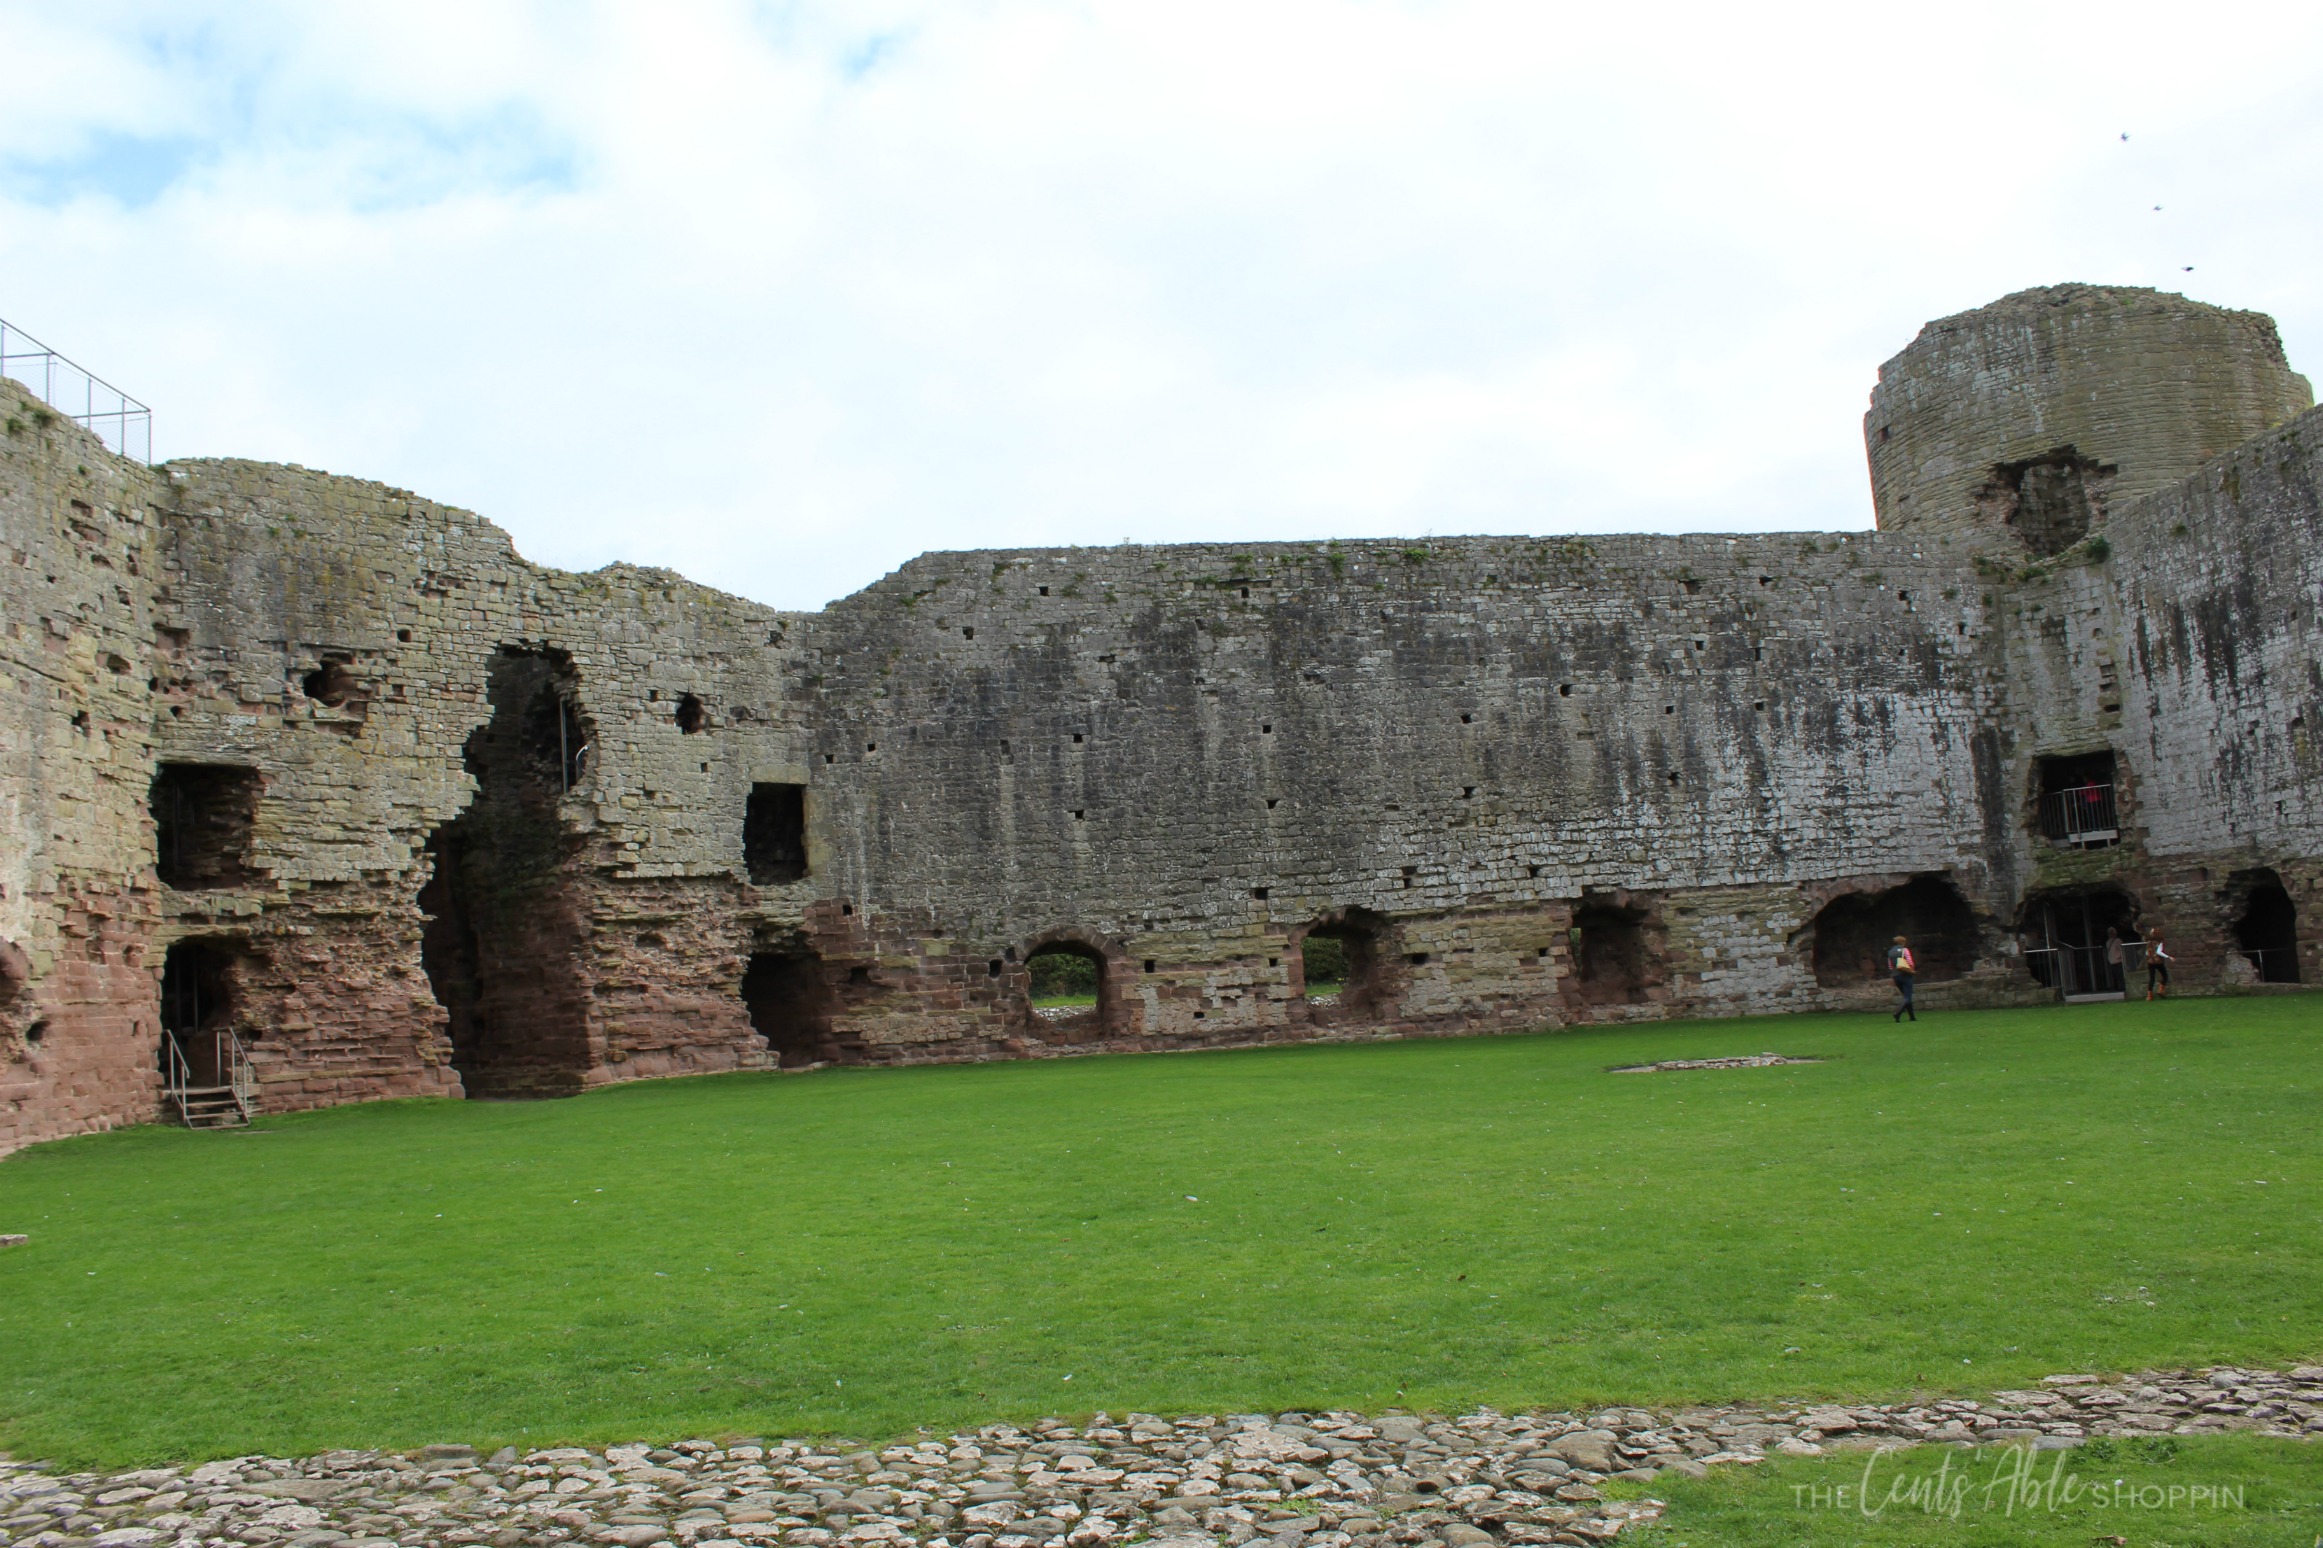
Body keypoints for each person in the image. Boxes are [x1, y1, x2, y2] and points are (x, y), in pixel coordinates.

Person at [1887, 935, 1917, 1022]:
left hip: (1896, 976)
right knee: (1908, 997)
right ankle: (1897, 1013)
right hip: (1906, 975)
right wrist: (1912, 971)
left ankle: (1912, 1017)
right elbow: (1910, 962)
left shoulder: (1890, 952)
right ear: (1902, 942)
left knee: (1906, 996)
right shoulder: (1905, 950)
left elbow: (1890, 966)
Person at [2145, 927, 2171, 999]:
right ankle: (2160, 990)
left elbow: (2147, 953)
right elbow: (2159, 952)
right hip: (2158, 962)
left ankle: (2149, 995)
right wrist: (2168, 957)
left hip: (2150, 962)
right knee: (2165, 976)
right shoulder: (2159, 943)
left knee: (2152, 978)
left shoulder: (2148, 943)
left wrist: (2149, 959)